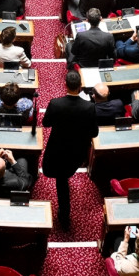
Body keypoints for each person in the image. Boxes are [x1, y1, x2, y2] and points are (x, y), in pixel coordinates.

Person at [42, 70, 98, 227]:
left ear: (65, 85)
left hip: (57, 148)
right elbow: (94, 132)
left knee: (61, 180)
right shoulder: (89, 107)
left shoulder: (55, 103)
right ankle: (64, 214)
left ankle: (64, 215)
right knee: (63, 177)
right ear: (80, 86)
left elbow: (46, 123)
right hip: (76, 151)